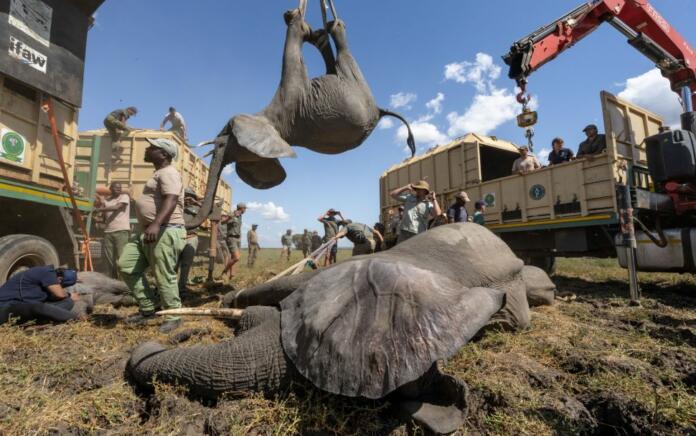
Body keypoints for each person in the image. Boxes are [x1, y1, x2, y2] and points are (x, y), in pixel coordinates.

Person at [118, 137, 186, 333]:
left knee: (164, 275)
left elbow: (171, 199)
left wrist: (156, 223)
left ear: (164, 154)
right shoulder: (158, 173)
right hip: (147, 230)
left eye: (152, 147)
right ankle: (149, 307)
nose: (147, 149)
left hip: (165, 229)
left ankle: (174, 316)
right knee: (127, 266)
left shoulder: (169, 173)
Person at [0, 266, 82, 325]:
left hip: (19, 310)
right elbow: (60, 294)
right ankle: (76, 319)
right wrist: (69, 294)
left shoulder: (45, 283)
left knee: (68, 302)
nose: (61, 288)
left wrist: (69, 298)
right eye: (62, 286)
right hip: (4, 307)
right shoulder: (47, 272)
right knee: (37, 306)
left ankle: (44, 318)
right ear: (59, 279)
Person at [94, 182, 131, 279]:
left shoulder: (124, 197)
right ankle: (113, 279)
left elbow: (117, 207)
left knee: (121, 258)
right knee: (109, 259)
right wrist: (97, 219)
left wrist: (99, 209)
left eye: (120, 187)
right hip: (108, 232)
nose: (118, 189)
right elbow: (104, 218)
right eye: (116, 187)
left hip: (121, 231)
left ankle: (123, 281)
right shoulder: (107, 201)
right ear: (111, 189)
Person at [178, 188, 202, 296]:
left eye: (190, 196)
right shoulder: (177, 205)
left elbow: (211, 212)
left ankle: (182, 289)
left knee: (186, 265)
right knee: (173, 265)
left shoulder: (198, 208)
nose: (188, 198)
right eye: (186, 195)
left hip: (191, 238)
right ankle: (170, 289)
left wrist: (196, 203)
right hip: (177, 237)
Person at [220, 203, 246, 280]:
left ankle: (232, 275)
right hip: (231, 238)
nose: (245, 210)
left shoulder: (240, 216)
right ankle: (224, 271)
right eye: (244, 208)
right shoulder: (232, 214)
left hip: (237, 238)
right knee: (236, 257)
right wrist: (229, 217)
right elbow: (222, 222)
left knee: (233, 257)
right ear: (241, 208)